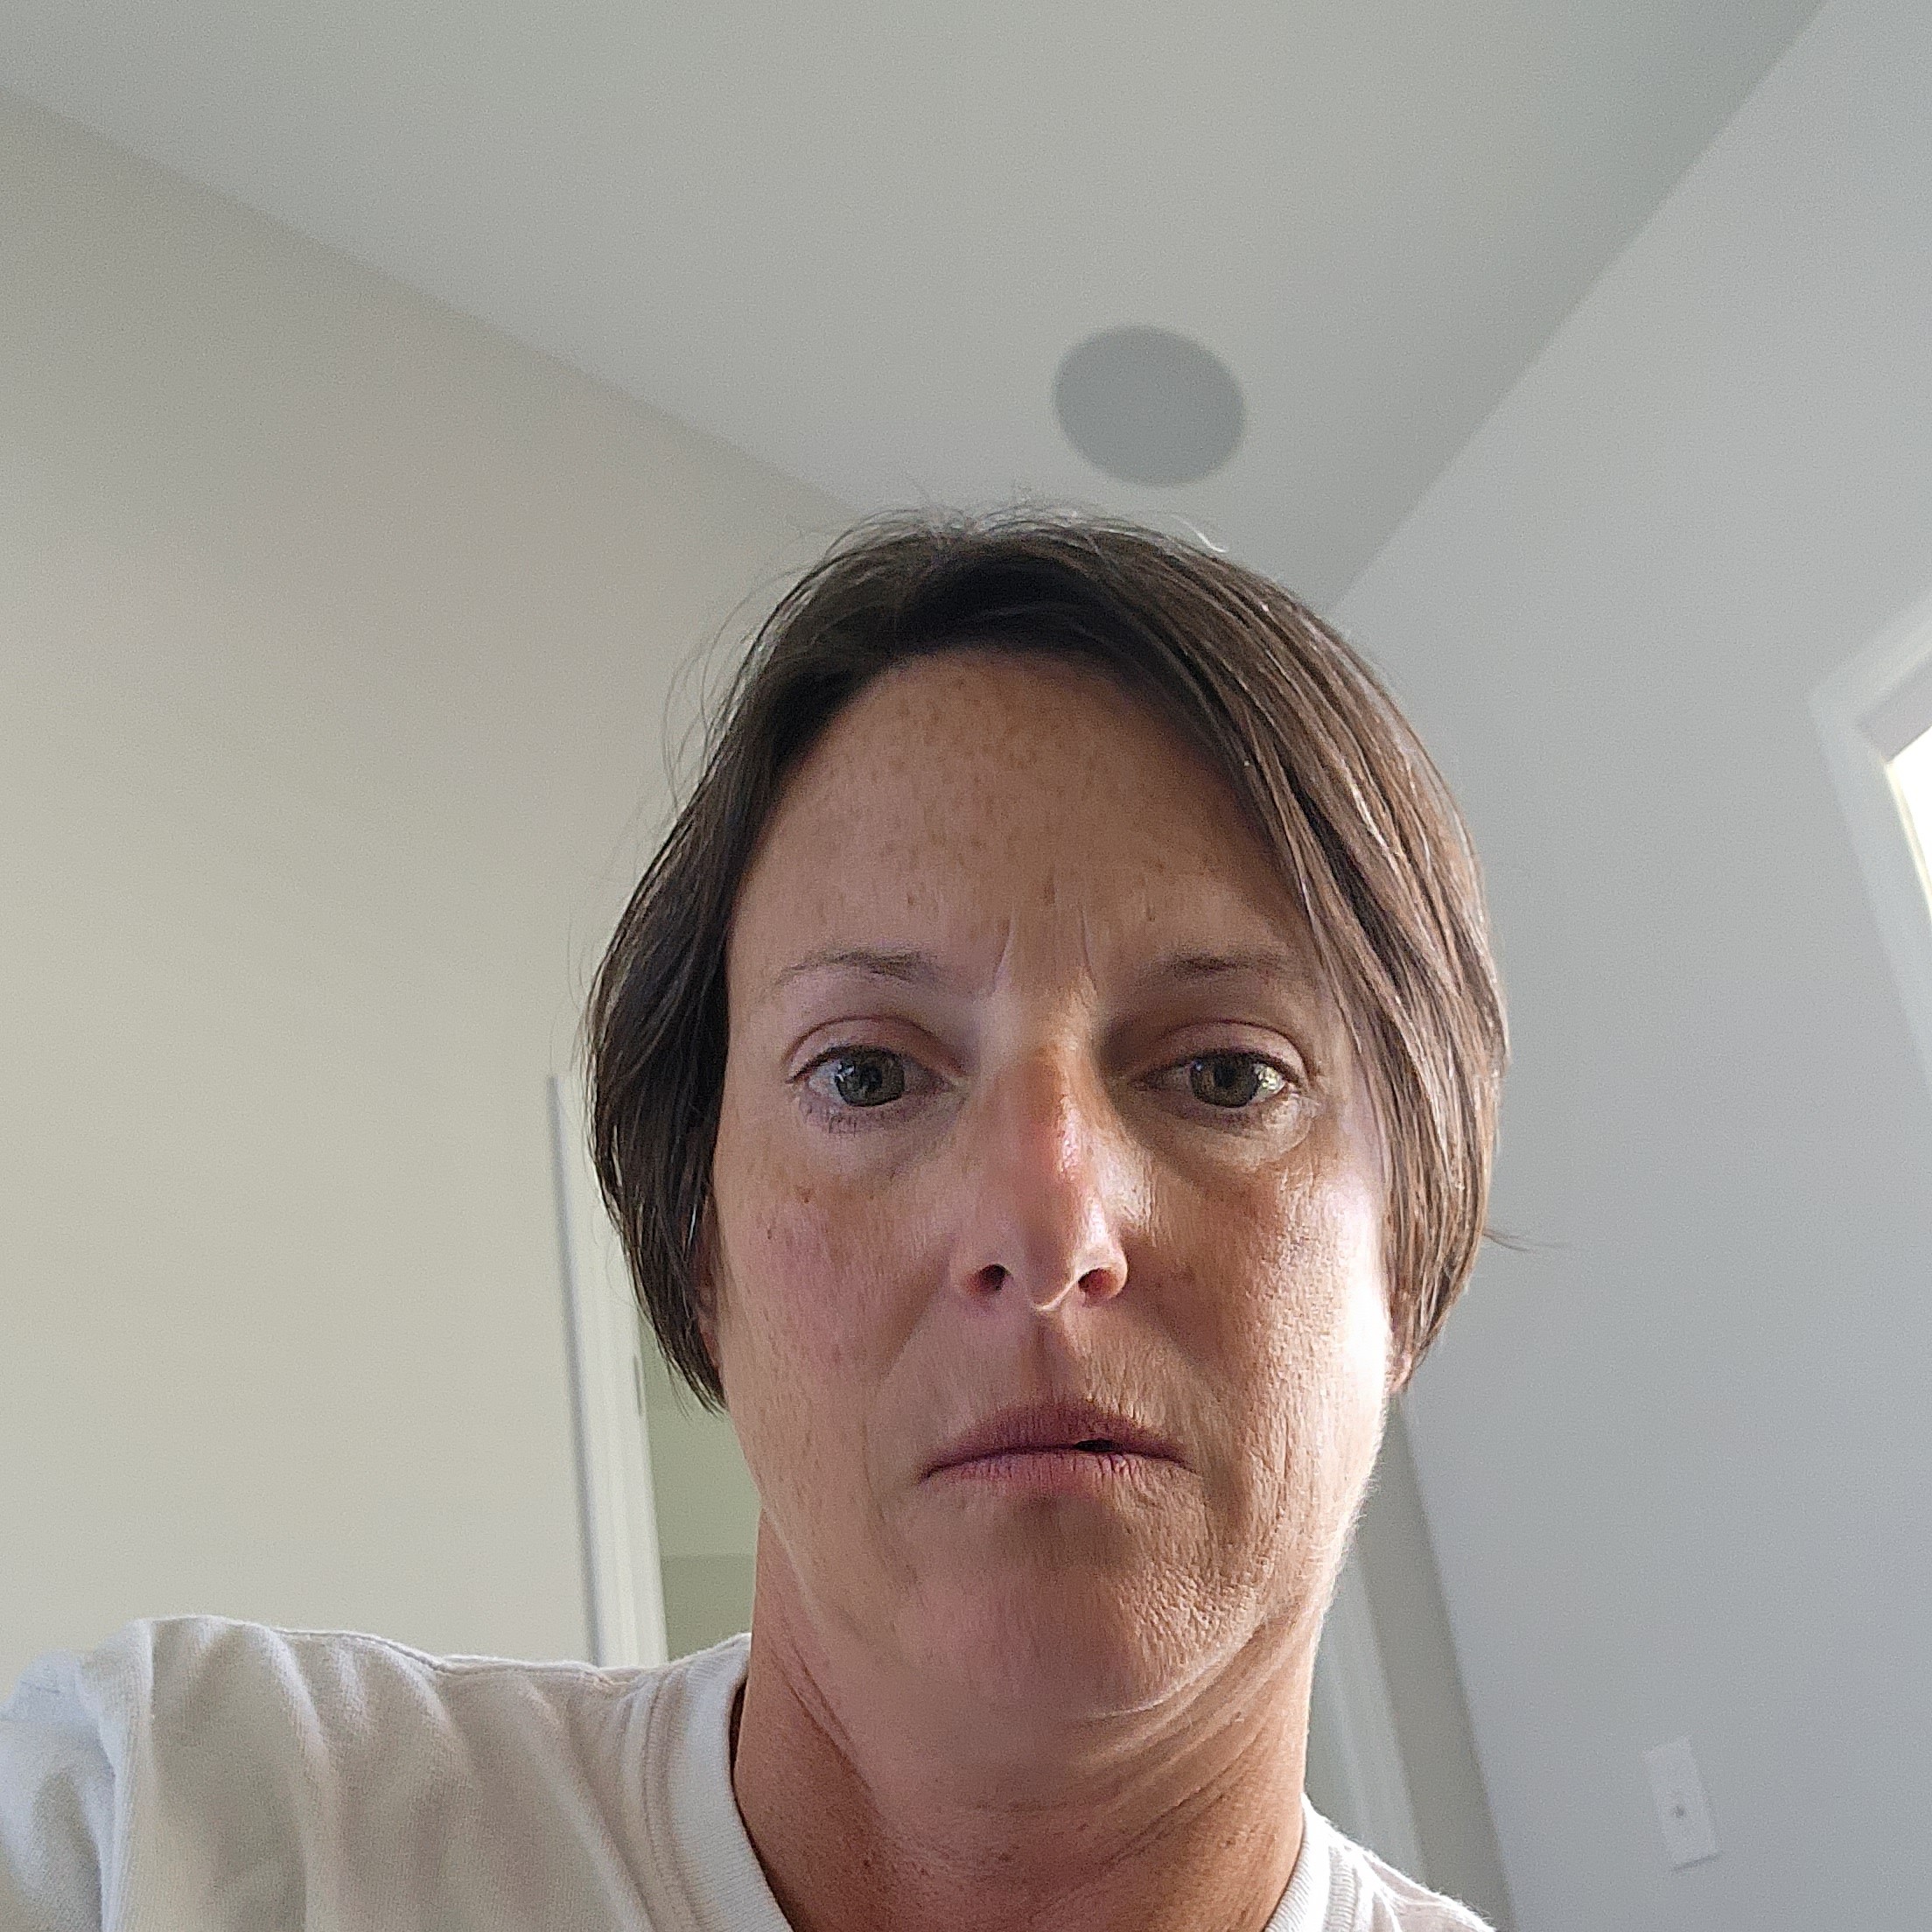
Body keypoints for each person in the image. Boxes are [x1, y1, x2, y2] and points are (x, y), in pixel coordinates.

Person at [0, 511, 1507, 1932]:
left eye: (1228, 1074)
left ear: (1410, 1251)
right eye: (866, 1073)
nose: (1048, 1225)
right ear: (699, 1252)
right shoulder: (176, 1829)